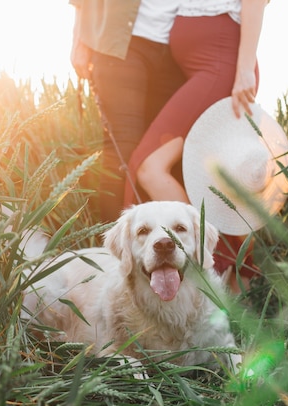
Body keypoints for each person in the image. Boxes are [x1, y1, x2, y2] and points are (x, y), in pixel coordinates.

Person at [124, 0, 269, 293]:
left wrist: (243, 70)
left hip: (221, 63)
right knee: (213, 176)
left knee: (149, 166)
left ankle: (206, 266)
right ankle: (234, 271)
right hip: (206, 63)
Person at [69, 0, 186, 223]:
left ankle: (164, 248)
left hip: (177, 49)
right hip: (121, 44)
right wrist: (79, 39)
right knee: (121, 152)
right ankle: (112, 253)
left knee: (167, 155)